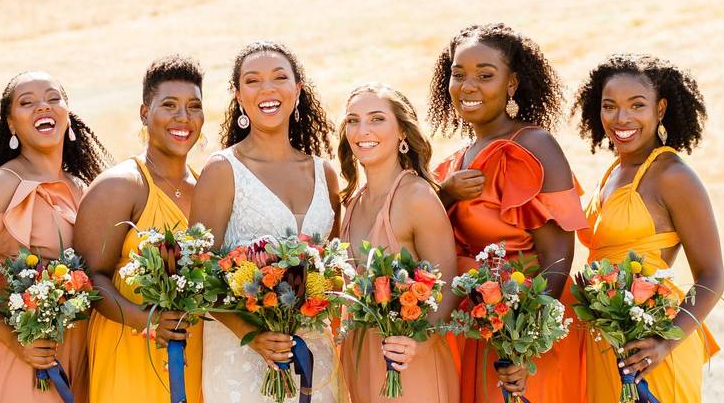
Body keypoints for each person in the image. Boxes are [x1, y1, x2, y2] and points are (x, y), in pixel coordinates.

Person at [429, 23, 588, 403]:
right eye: (458, 74)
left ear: (512, 84)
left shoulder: (533, 146)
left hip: (526, 333)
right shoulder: (454, 162)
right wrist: (445, 195)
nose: (468, 86)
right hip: (479, 328)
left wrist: (524, 341)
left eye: (485, 76)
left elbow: (557, 256)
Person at [190, 40, 341, 403]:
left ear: (297, 90)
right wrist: (252, 335)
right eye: (253, 81)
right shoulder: (223, 171)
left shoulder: (325, 173)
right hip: (241, 357)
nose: (267, 89)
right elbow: (197, 273)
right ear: (240, 97)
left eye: (279, 78)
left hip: (314, 356)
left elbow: (333, 268)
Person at [572, 54, 721, 403]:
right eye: (610, 106)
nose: (621, 118)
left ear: (661, 109)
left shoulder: (673, 176)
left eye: (636, 105)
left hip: (651, 344)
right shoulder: (612, 172)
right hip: (606, 342)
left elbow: (712, 276)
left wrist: (665, 343)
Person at [0, 71, 110, 402]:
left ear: (67, 114)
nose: (43, 106)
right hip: (23, 359)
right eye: (27, 102)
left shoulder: (84, 189)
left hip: (81, 353)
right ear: (11, 125)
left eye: (53, 98)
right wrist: (15, 340)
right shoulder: (2, 184)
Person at [76, 56, 207, 402]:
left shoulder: (206, 188)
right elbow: (91, 278)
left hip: (191, 351)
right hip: (128, 347)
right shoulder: (120, 186)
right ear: (144, 113)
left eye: (194, 106)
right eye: (169, 105)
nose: (183, 117)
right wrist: (146, 320)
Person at [338, 83, 459, 403]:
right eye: (353, 120)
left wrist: (419, 342)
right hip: (361, 355)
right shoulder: (352, 202)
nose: (362, 130)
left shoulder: (416, 197)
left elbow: (447, 284)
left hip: (409, 364)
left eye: (377, 118)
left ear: (403, 132)